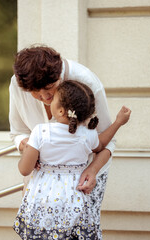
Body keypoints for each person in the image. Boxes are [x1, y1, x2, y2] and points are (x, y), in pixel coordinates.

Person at [9, 45, 115, 238]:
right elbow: (17, 132)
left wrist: (92, 170)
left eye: (49, 89)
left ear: (59, 75)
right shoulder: (18, 84)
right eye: (35, 93)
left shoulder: (87, 82)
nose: (44, 98)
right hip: (40, 183)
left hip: (84, 179)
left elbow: (107, 141)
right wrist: (27, 146)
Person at [13, 80, 131, 239]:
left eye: (53, 98)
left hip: (43, 200)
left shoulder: (40, 132)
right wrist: (118, 122)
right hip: (74, 201)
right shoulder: (87, 135)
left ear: (61, 111)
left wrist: (28, 149)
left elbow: (24, 169)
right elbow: (102, 143)